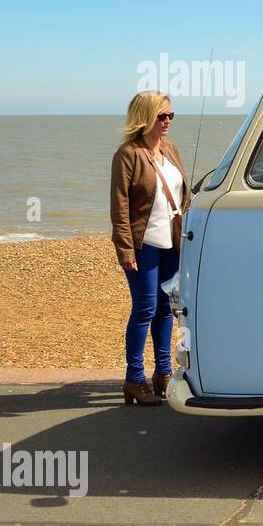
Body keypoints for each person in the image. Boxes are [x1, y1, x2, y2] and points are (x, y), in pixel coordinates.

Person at [110, 91, 190, 406]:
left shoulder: (170, 149)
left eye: (171, 115)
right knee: (144, 309)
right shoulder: (127, 154)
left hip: (172, 244)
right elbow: (119, 208)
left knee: (167, 308)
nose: (168, 121)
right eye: (162, 116)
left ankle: (164, 373)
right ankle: (133, 379)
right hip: (144, 245)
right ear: (145, 118)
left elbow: (184, 193)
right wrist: (126, 250)